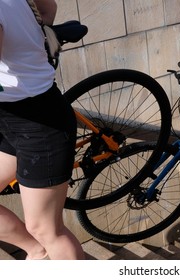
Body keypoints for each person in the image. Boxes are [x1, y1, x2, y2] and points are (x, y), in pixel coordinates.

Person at [0, 0, 84, 260]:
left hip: (39, 123)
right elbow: (48, 8)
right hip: (10, 118)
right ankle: (38, 253)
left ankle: (45, 247)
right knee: (41, 235)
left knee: (46, 228)